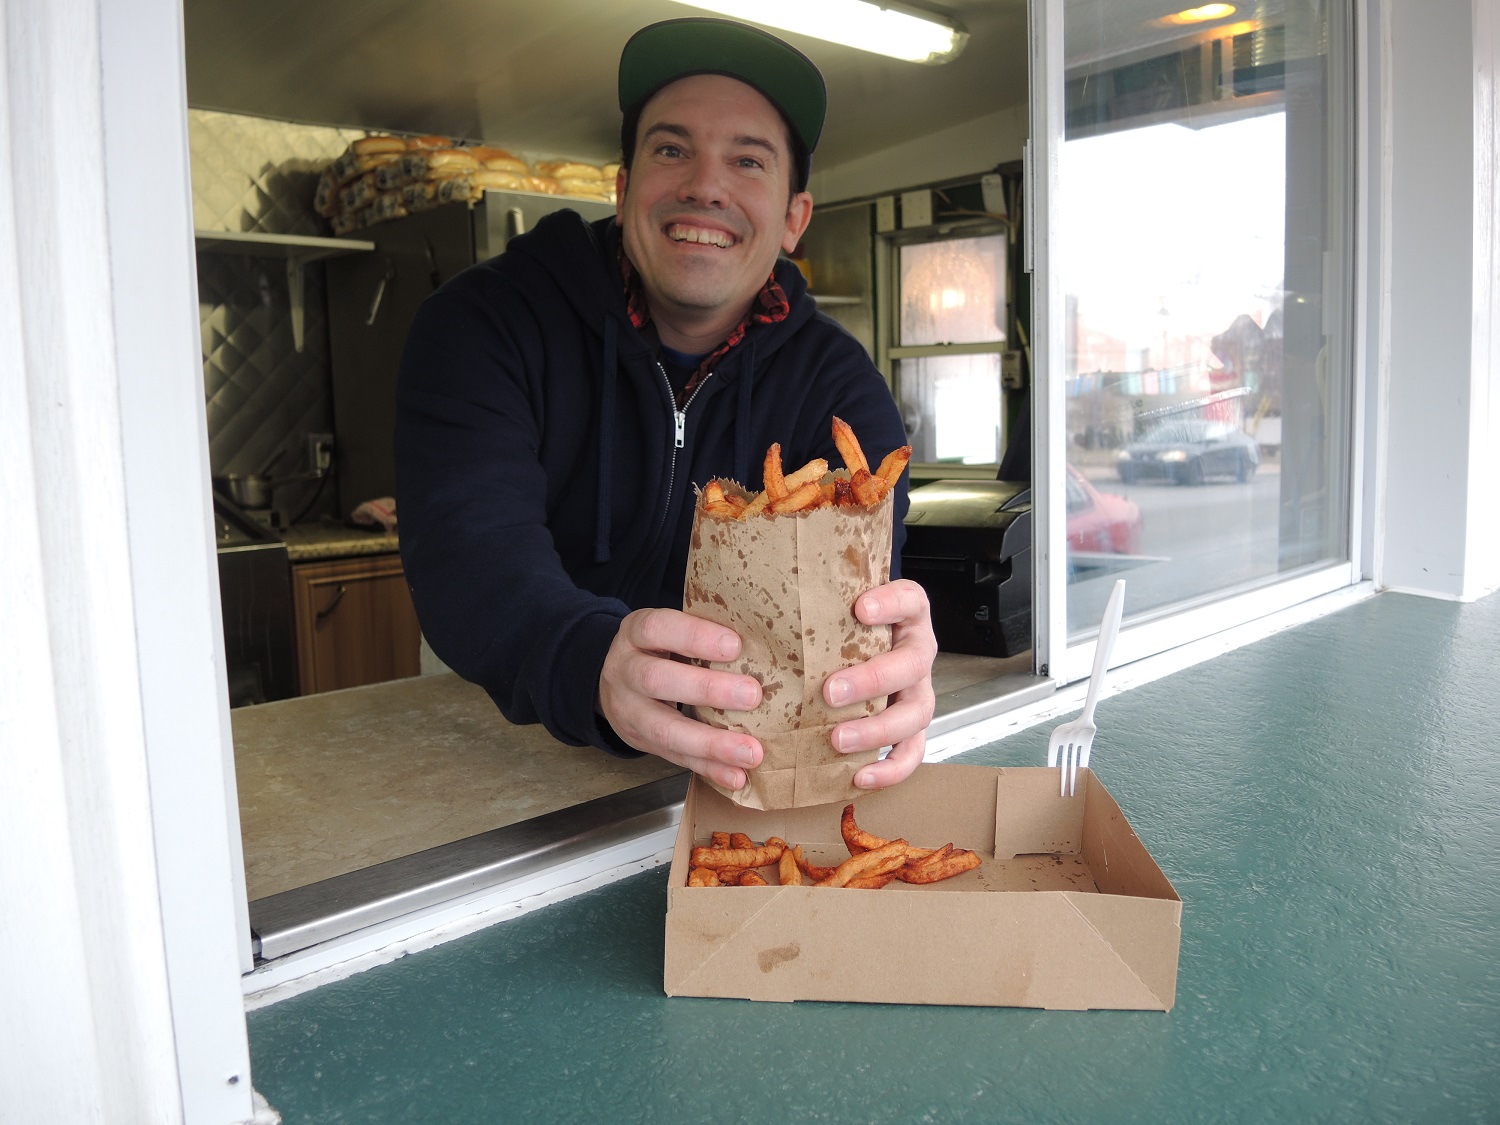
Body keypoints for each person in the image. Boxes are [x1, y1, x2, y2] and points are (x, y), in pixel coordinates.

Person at [395, 17, 936, 794]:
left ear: (794, 217)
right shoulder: (481, 327)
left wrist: (892, 657)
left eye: (747, 160)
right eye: (672, 149)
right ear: (622, 189)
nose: (705, 186)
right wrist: (591, 663)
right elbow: (472, 559)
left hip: (733, 766)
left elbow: (856, 594)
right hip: (498, 736)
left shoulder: (840, 388)